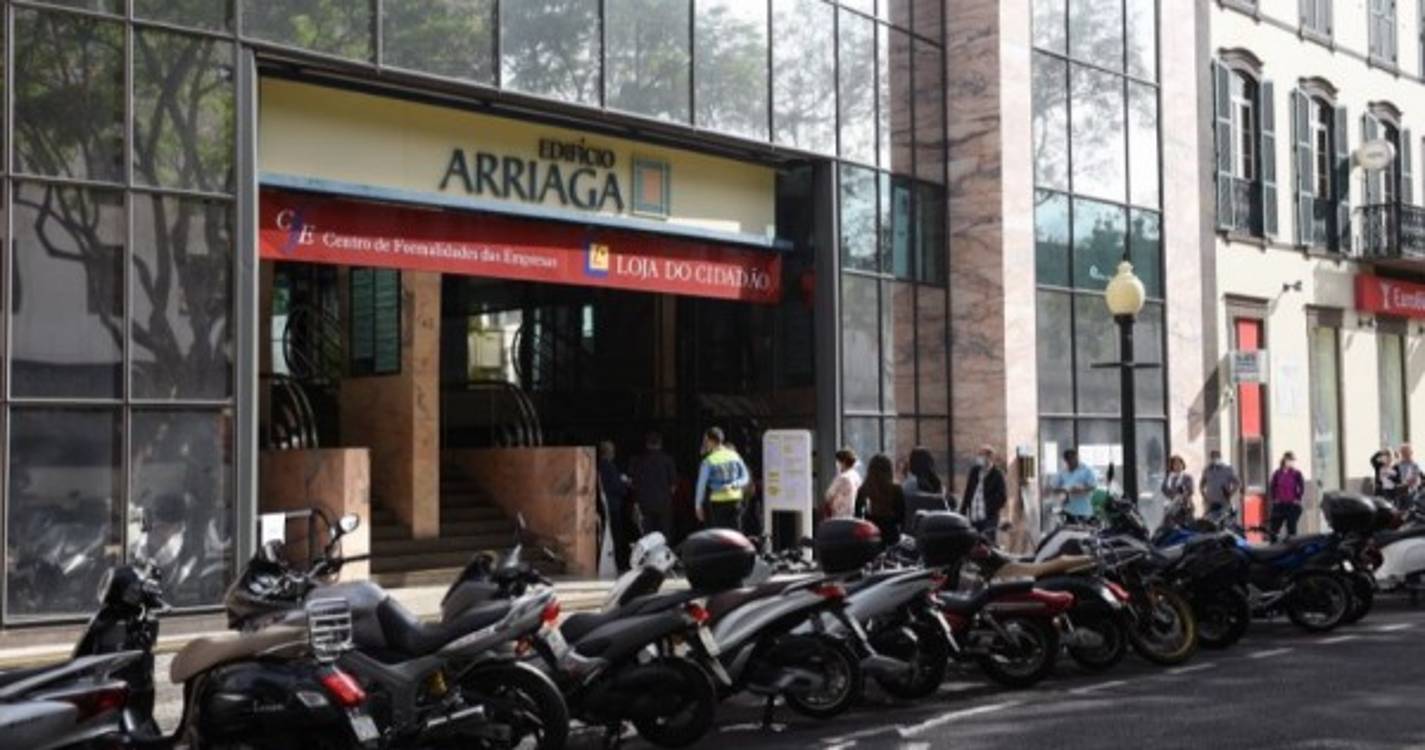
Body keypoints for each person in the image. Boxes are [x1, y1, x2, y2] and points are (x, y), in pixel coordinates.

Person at [694, 427, 750, 530]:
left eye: (706, 440)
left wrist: (698, 506)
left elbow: (701, 485)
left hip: (718, 502)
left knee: (720, 534)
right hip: (735, 499)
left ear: (711, 441)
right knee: (735, 533)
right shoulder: (734, 455)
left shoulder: (708, 461)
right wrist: (734, 484)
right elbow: (745, 477)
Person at [630, 432, 678, 538]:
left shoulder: (639, 461)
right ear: (660, 443)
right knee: (664, 535)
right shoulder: (668, 460)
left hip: (645, 505)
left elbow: (634, 484)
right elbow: (673, 485)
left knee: (647, 536)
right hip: (664, 504)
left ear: (647, 444)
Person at [597, 440, 633, 572]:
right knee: (616, 535)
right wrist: (625, 484)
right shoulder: (608, 466)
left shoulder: (600, 465)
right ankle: (618, 563)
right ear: (608, 452)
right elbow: (615, 486)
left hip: (606, 504)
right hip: (612, 505)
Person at [855, 454, 906, 545]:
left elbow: (857, 516)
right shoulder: (896, 489)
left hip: (870, 537)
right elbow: (901, 517)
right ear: (889, 470)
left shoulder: (863, 490)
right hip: (891, 536)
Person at [961, 445, 1007, 542]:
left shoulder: (997, 475)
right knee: (973, 544)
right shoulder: (975, 472)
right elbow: (968, 492)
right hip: (973, 517)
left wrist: (989, 507)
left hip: (988, 519)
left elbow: (1002, 497)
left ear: (989, 457)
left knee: (987, 543)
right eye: (979, 455)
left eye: (982, 455)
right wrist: (963, 511)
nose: (979, 458)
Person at [902, 447, 950, 530]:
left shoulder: (908, 486)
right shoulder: (938, 486)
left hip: (913, 531)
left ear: (911, 464)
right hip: (937, 530)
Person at [1053, 449, 1098, 523]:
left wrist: (1082, 489)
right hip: (1068, 510)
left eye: (1074, 459)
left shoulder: (1086, 470)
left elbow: (1093, 486)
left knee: (1083, 529)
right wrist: (1064, 490)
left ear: (1077, 458)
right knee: (1069, 528)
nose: (1072, 462)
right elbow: (1054, 487)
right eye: (1069, 460)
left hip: (1084, 510)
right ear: (1066, 461)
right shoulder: (1063, 472)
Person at [1268, 451, 1305, 538]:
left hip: (1291, 504)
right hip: (1280, 504)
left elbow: (1301, 487)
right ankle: (1273, 544)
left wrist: (1298, 498)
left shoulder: (1296, 473)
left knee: (1291, 528)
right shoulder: (1277, 473)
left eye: (1292, 461)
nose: (1291, 462)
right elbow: (1273, 487)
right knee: (1274, 528)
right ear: (1284, 460)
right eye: (1290, 460)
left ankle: (1292, 544)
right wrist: (1274, 499)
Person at [1199, 449, 1241, 518]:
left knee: (1223, 518)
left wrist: (1231, 493)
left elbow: (1237, 483)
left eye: (1216, 457)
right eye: (1213, 457)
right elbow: (1202, 484)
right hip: (1210, 501)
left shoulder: (1227, 469)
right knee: (1209, 519)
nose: (1214, 459)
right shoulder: (1207, 470)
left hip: (1223, 500)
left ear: (1220, 458)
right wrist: (1204, 496)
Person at [822, 448, 861, 519]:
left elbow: (829, 495)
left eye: (838, 462)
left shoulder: (842, 478)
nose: (837, 464)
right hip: (852, 513)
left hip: (839, 513)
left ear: (843, 462)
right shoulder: (856, 476)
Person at [1160, 454, 1196, 526]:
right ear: (1172, 466)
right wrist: (1173, 497)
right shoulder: (1169, 477)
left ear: (1183, 465)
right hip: (1171, 506)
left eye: (1180, 463)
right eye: (1175, 464)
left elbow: (1190, 490)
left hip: (1185, 506)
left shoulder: (1187, 477)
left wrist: (1182, 494)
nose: (1178, 466)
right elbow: (1164, 489)